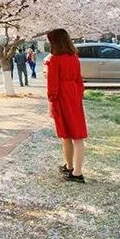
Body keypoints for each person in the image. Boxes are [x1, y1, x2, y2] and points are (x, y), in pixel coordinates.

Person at [44, 28, 88, 183]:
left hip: (62, 97)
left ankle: (74, 170)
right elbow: (79, 79)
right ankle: (74, 168)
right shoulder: (74, 57)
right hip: (74, 95)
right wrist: (78, 95)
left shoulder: (54, 60)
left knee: (66, 134)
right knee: (77, 134)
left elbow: (52, 85)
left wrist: (51, 103)